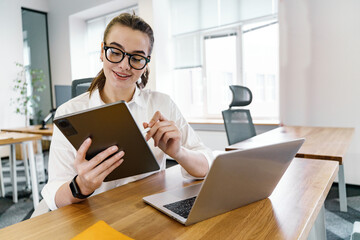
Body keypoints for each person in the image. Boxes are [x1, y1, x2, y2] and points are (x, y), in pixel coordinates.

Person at [41, 13, 213, 211]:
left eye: (137, 57)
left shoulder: (162, 104)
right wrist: (81, 186)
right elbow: (54, 196)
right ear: (102, 51)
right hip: (93, 218)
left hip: (148, 214)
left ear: (146, 63)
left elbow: (206, 165)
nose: (124, 65)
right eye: (115, 52)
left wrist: (179, 153)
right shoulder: (69, 112)